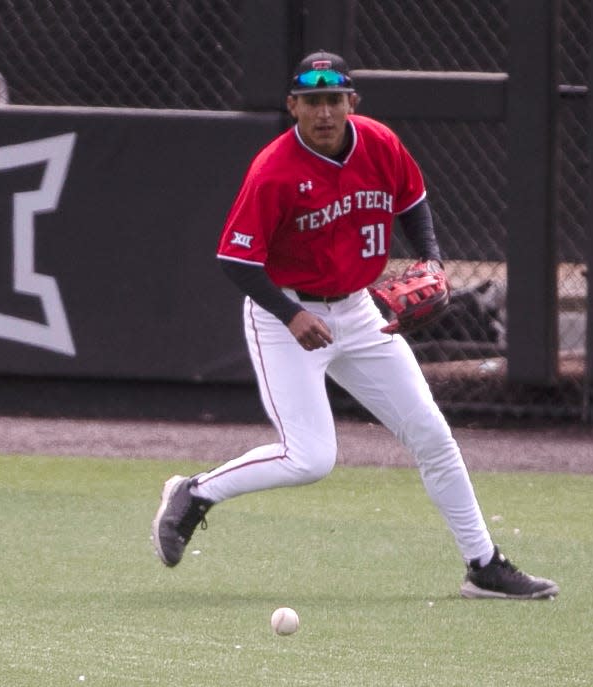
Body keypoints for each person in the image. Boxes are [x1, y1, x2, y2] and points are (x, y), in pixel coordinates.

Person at [151, 51, 559, 600]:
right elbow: (236, 258)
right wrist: (291, 314)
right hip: (286, 315)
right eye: (312, 101)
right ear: (292, 106)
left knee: (433, 436)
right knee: (310, 457)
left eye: (334, 99)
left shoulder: (379, 143)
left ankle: (483, 565)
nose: (324, 112)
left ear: (352, 102)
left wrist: (433, 260)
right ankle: (194, 492)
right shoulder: (274, 170)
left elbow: (413, 202)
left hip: (361, 312)